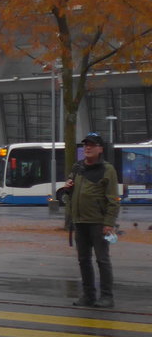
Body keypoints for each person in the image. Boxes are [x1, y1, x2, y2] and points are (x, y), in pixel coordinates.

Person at [65, 132, 120, 308]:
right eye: (85, 145)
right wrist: (68, 188)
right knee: (83, 260)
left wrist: (109, 223)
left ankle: (107, 297)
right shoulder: (77, 167)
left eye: (92, 145)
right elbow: (71, 193)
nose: (87, 148)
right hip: (80, 222)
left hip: (98, 222)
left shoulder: (107, 169)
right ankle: (88, 295)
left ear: (100, 149)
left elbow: (113, 200)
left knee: (102, 260)